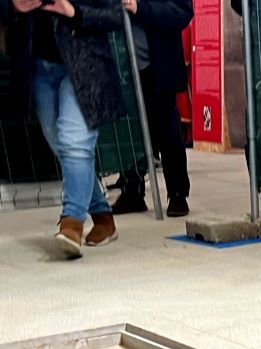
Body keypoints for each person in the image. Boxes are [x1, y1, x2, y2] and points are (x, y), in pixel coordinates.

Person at [3, 0, 125, 257]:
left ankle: (71, 222)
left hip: (84, 66)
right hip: (37, 66)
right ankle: (103, 216)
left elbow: (115, 16)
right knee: (60, 143)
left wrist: (73, 11)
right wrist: (16, 6)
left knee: (74, 141)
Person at [110, 0, 193, 217]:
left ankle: (177, 194)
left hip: (157, 69)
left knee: (167, 131)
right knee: (128, 132)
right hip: (124, 70)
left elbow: (182, 12)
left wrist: (140, 7)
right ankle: (132, 191)